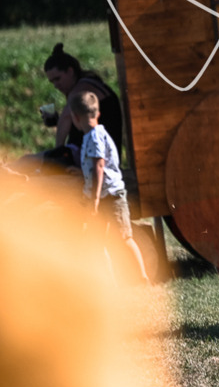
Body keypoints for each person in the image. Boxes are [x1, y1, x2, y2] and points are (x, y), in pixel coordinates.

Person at [69, 91, 149, 284]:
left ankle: (143, 277)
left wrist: (94, 199)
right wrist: (80, 173)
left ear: (75, 117)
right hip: (101, 196)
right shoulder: (92, 135)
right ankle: (108, 282)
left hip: (111, 197)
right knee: (99, 241)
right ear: (97, 114)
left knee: (124, 237)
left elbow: (99, 165)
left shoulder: (94, 136)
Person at [39, 43, 124, 171]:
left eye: (58, 79)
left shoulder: (82, 88)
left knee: (27, 162)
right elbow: (81, 121)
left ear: (70, 71)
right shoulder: (86, 85)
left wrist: (57, 156)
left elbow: (67, 117)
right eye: (52, 82)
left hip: (96, 158)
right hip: (93, 155)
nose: (56, 85)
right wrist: (57, 120)